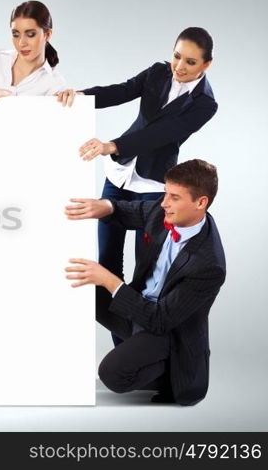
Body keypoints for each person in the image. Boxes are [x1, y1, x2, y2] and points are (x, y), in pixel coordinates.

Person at [56, 27, 218, 345]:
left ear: (206, 65)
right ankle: (124, 348)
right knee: (107, 261)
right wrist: (77, 98)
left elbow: (162, 133)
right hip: (118, 179)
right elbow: (119, 91)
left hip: (155, 188)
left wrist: (111, 145)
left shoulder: (205, 105)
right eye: (176, 56)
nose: (179, 67)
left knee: (144, 272)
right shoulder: (158, 73)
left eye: (190, 62)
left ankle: (136, 349)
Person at [64, 159, 225, 405]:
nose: (164, 203)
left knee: (112, 375)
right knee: (76, 284)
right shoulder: (162, 213)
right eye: (165, 194)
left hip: (166, 332)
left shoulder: (209, 265)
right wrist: (104, 206)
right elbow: (133, 210)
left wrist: (109, 280)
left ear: (200, 202)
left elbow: (160, 320)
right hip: (138, 312)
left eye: (174, 197)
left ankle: (169, 372)